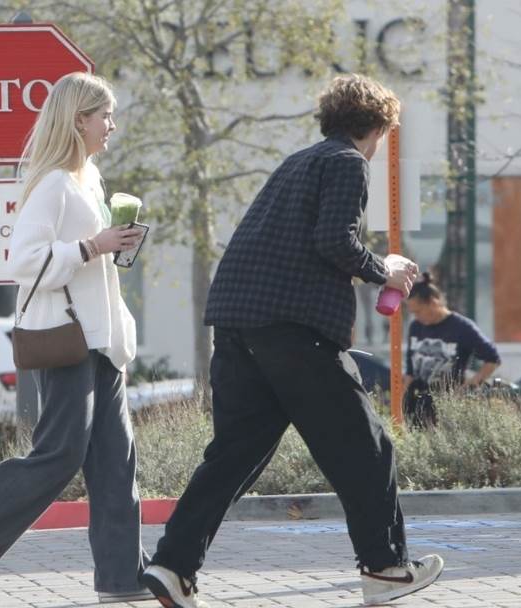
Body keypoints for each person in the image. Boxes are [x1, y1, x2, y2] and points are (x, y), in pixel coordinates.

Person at [141, 74, 444, 608]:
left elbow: (304, 241)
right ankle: (385, 568)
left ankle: (171, 565)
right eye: (386, 132)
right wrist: (385, 272)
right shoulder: (349, 162)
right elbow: (334, 241)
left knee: (233, 455)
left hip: (236, 323)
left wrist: (374, 267)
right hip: (294, 333)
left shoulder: (298, 162)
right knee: (366, 449)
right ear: (377, 127)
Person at [0, 72, 149, 605]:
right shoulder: (52, 182)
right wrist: (91, 246)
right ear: (79, 120)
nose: (112, 127)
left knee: (116, 465)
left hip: (102, 342)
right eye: (105, 117)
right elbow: (22, 262)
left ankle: (124, 580)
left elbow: (87, 260)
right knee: (60, 454)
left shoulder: (88, 180)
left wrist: (112, 246)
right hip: (67, 341)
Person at [403, 273, 501, 425]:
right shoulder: (415, 327)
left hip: (448, 406)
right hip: (418, 404)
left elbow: (492, 358)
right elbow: (410, 369)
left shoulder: (462, 327)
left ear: (433, 303)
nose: (416, 317)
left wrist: (470, 385)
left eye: (418, 311)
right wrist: (403, 401)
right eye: (413, 313)